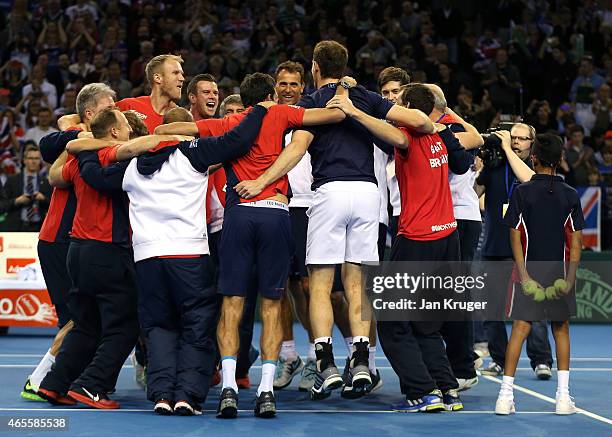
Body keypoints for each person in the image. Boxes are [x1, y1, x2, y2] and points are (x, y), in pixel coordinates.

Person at [234, 41, 432, 400]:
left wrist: (261, 182)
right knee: (356, 284)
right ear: (346, 65)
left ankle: (324, 362)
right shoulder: (367, 97)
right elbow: (419, 124)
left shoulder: (312, 102)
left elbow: (295, 150)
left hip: (329, 193)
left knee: (321, 284)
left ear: (314, 68)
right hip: (368, 196)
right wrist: (358, 109)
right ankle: (360, 359)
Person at [157, 72, 345, 416]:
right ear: (272, 94)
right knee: (272, 304)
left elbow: (169, 131)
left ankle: (229, 386)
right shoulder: (281, 113)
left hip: (239, 216)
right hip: (275, 213)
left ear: (243, 97)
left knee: (231, 304)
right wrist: (343, 91)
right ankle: (265, 390)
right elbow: (335, 115)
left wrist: (164, 131)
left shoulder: (229, 122)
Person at [69, 103, 272, 416]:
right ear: (188, 128)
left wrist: (84, 145)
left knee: (159, 328)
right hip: (189, 256)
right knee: (197, 326)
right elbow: (238, 140)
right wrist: (259, 110)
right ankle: (187, 396)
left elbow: (93, 174)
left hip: (147, 259)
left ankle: (162, 393)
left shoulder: (132, 164)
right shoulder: (193, 153)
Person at [332, 83, 472, 412]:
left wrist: (352, 109)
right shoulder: (440, 135)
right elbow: (464, 162)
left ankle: (422, 391)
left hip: (418, 240)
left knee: (393, 322)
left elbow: (386, 132)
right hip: (447, 239)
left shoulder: (409, 137)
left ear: (409, 108)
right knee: (426, 322)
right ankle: (446, 388)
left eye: (400, 103)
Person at [18, 83, 116, 402]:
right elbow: (52, 157)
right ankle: (39, 379)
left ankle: (74, 378)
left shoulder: (96, 139)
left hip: (74, 240)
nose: (115, 108)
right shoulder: (78, 140)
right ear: (90, 114)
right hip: (60, 239)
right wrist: (74, 130)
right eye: (108, 105)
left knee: (85, 316)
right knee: (76, 318)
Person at [495, 133, 584, 415]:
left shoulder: (521, 192)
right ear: (560, 160)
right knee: (561, 329)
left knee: (520, 329)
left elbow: (514, 236)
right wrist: (569, 279)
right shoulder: (570, 195)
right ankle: (562, 398)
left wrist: (523, 274)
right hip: (558, 271)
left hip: (529, 272)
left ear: (534, 159)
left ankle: (504, 397)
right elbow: (576, 242)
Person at [475, 124, 554, 379]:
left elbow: (527, 180)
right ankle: (499, 359)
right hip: (494, 247)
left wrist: (507, 148)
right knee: (492, 310)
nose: (517, 141)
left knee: (532, 308)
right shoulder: (495, 166)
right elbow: (472, 195)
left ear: (532, 143)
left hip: (526, 250)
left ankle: (541, 360)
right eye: (513, 138)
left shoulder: (535, 168)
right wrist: (478, 169)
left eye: (522, 138)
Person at [0, 144, 51, 232]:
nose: (33, 161)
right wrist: (17, 201)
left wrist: (43, 199)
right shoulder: (13, 180)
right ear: (24, 160)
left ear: (40, 161)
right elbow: (2, 205)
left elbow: (53, 207)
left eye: (36, 158)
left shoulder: (46, 182)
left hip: (39, 228)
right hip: (16, 227)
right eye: (31, 158)